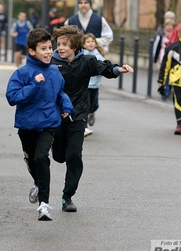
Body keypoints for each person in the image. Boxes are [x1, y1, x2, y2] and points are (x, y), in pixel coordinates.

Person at [51, 25, 133, 212]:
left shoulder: (86, 61)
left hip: (79, 115)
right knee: (59, 157)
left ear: (75, 46)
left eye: (65, 44)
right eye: (58, 44)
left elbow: (104, 67)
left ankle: (67, 196)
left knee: (74, 155)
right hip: (56, 116)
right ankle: (55, 146)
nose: (60, 48)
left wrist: (119, 69)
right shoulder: (51, 63)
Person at [6, 28, 73, 221]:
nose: (48, 52)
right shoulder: (22, 73)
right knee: (32, 159)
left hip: (48, 123)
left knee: (42, 157)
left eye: (49, 47)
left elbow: (60, 92)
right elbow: (12, 97)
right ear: (32, 51)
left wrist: (66, 105)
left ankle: (44, 204)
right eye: (43, 48)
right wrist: (33, 85)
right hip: (26, 126)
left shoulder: (54, 71)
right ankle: (37, 181)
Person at [82, 33, 105, 137]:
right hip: (85, 85)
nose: (91, 44)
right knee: (85, 106)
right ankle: (85, 126)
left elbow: (104, 67)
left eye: (92, 42)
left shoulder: (99, 56)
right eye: (88, 42)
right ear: (83, 44)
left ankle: (92, 114)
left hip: (95, 85)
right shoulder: (82, 55)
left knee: (94, 104)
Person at [153, 18, 175, 100]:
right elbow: (156, 47)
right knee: (164, 74)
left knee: (170, 75)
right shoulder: (161, 35)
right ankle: (164, 89)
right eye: (167, 25)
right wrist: (154, 59)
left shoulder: (175, 35)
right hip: (162, 57)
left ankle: (168, 90)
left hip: (172, 58)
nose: (169, 27)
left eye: (171, 25)